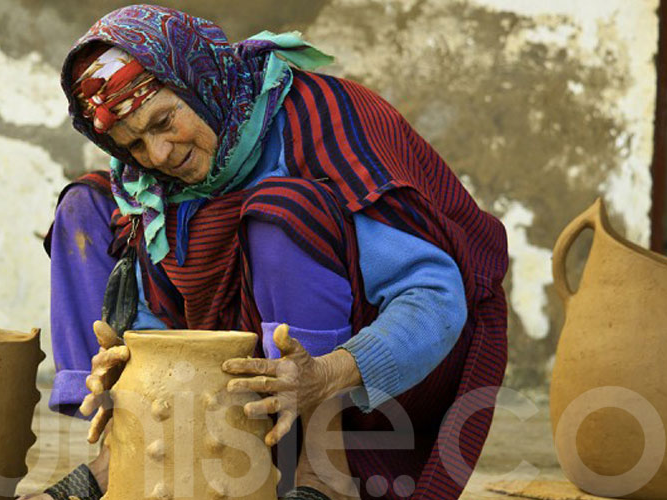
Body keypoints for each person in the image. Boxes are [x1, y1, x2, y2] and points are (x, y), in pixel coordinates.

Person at [28, 5, 508, 500]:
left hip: (364, 380)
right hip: (237, 386)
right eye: (133, 144)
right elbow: (159, 312)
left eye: (164, 121)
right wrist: (134, 369)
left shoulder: (324, 118)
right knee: (84, 206)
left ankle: (324, 474)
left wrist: (328, 372)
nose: (159, 155)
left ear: (195, 80)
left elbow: (435, 299)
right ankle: (120, 458)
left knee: (282, 208)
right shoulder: (146, 180)